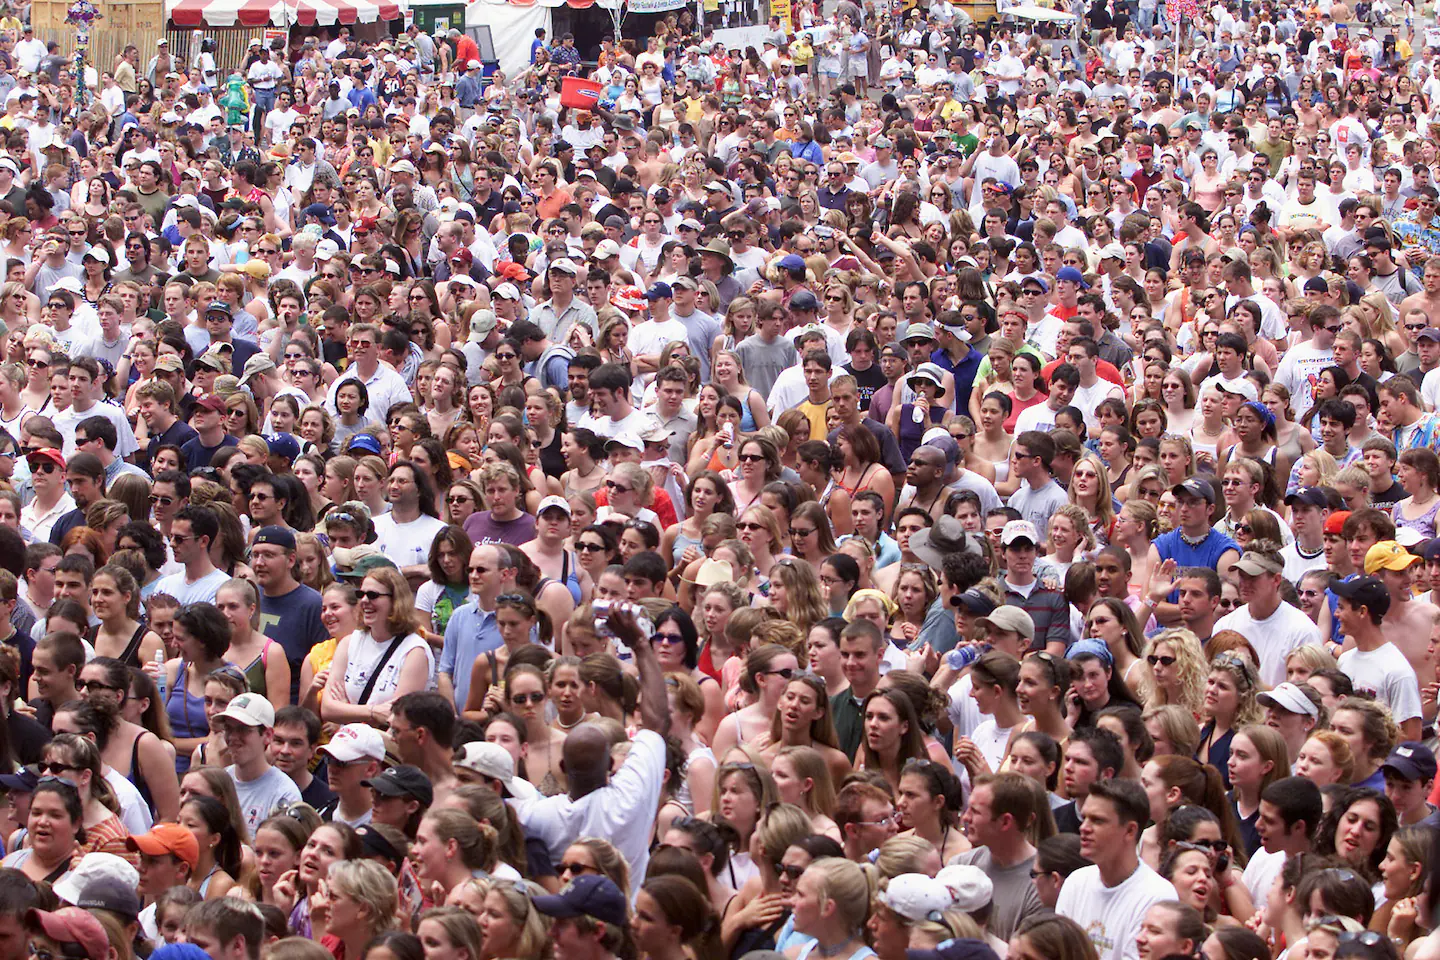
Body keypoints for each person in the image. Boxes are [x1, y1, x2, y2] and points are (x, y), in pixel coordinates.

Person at [1055, 779, 1178, 960]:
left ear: (1130, 831)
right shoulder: (1076, 882)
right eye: (1084, 818)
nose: (1084, 828)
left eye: (1097, 820)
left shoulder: (1158, 895)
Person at [213, 691, 301, 836]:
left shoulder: (284, 793)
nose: (233, 737)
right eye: (228, 729)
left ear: (267, 735)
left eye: (243, 729)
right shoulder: (220, 782)